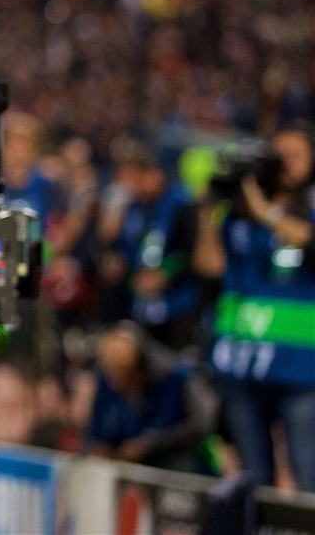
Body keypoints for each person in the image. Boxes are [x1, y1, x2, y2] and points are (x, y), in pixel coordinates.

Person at [194, 123, 315, 492]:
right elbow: (210, 266)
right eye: (276, 156)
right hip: (242, 362)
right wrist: (208, 210)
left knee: (307, 470)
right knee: (253, 477)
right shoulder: (240, 212)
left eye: (295, 156)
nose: (284, 164)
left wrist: (265, 211)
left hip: (301, 366)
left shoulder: (305, 209)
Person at [98, 139, 206, 352]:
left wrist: (165, 273)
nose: (130, 185)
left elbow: (191, 252)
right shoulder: (132, 208)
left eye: (136, 176)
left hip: (176, 307)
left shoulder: (182, 204)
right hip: (139, 307)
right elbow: (124, 253)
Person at [85, 323, 218, 474]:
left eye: (124, 376)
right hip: (121, 466)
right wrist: (99, 447)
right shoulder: (105, 378)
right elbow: (95, 432)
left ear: (140, 366)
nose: (116, 383)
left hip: (173, 462)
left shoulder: (175, 377)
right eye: (111, 375)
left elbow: (202, 424)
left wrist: (151, 444)